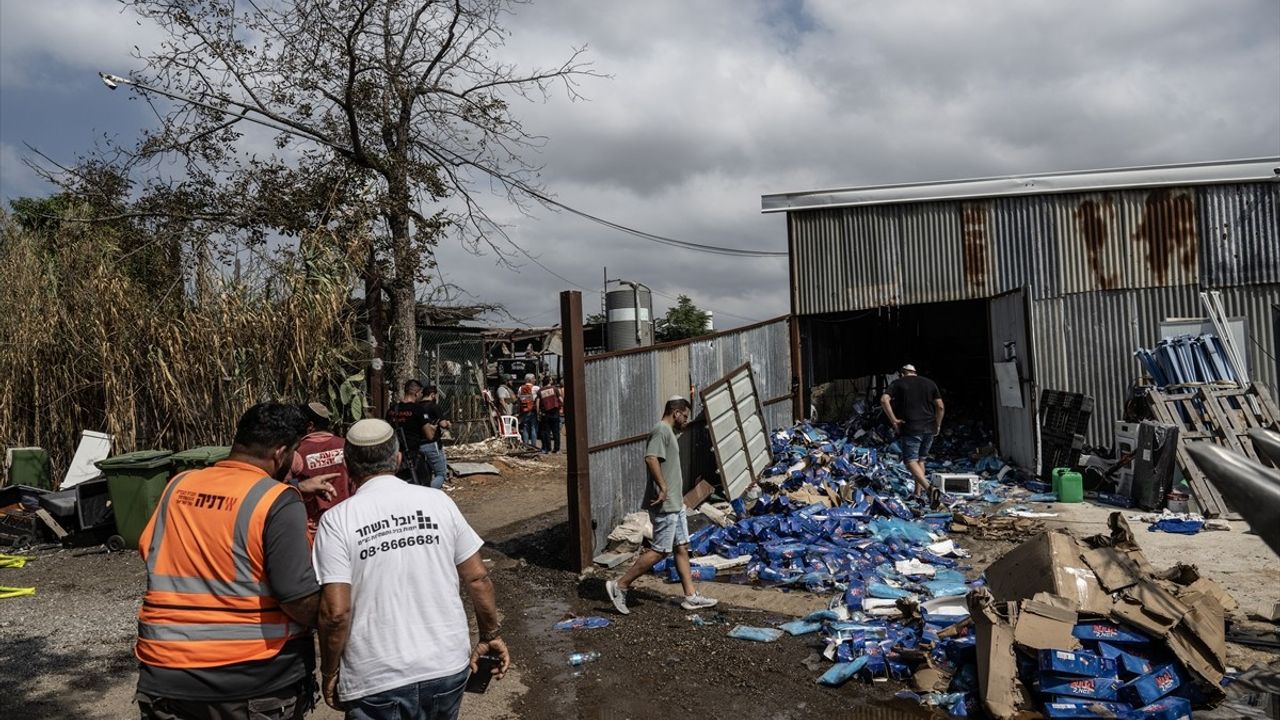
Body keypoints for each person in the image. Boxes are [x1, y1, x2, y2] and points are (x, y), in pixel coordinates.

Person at [135, 402, 337, 720]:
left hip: (165, 674)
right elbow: (296, 597)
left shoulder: (177, 486)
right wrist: (331, 616)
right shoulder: (277, 501)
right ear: (280, 453)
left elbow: (151, 551)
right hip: (251, 681)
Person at [314, 419, 509, 719]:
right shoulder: (438, 502)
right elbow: (477, 577)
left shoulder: (337, 520)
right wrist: (489, 634)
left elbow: (336, 612)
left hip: (374, 680)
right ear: (398, 458)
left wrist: (329, 670)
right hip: (445, 669)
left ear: (348, 465)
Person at [605, 397, 718, 614]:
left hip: (676, 503)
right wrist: (663, 486)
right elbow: (650, 458)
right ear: (676, 412)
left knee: (681, 547)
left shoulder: (669, 433)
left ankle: (691, 596)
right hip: (665, 503)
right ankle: (620, 585)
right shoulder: (661, 430)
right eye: (684, 415)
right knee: (659, 551)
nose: (686, 420)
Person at [292, 401, 357, 543]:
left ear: (309, 426)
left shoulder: (296, 452)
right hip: (346, 520)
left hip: (313, 527)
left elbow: (288, 488)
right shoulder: (346, 445)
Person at [880, 364, 945, 501]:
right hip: (929, 427)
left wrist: (894, 420)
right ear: (915, 372)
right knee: (921, 459)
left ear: (901, 373)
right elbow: (940, 406)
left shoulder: (898, 383)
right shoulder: (930, 383)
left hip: (911, 427)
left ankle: (929, 488)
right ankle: (917, 493)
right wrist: (937, 425)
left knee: (910, 461)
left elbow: (884, 400)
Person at [386, 380, 432, 485]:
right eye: (421, 393)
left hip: (395, 458)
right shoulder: (418, 410)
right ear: (416, 393)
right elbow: (429, 435)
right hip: (413, 457)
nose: (421, 396)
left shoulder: (392, 410)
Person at [417, 385, 452, 489]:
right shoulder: (434, 406)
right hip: (432, 444)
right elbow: (443, 424)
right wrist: (448, 424)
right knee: (441, 474)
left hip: (418, 444)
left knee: (425, 473)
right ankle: (429, 492)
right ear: (432, 395)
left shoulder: (416, 407)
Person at [536, 378, 563, 454]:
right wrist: (561, 407)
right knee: (556, 432)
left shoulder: (540, 391)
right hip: (555, 413)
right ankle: (557, 449)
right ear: (549, 382)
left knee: (546, 432)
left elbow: (537, 403)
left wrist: (538, 413)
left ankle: (548, 449)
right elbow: (561, 400)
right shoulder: (555, 389)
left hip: (545, 414)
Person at [516, 374, 540, 447]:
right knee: (533, 428)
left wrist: (519, 411)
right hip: (533, 410)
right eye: (534, 379)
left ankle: (526, 445)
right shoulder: (536, 388)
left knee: (525, 428)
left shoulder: (520, 388)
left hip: (524, 410)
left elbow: (519, 400)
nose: (535, 380)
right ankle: (533, 445)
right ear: (530, 380)